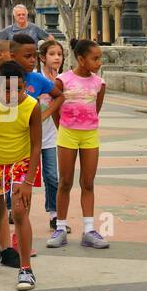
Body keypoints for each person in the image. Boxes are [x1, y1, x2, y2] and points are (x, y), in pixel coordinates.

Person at [0, 59, 42, 289]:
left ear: (25, 86)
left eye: (18, 88)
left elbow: (36, 146)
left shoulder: (32, 106)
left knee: (19, 211)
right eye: (7, 88)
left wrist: (28, 180)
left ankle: (26, 269)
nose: (12, 94)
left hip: (22, 162)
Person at [44, 39, 109, 249]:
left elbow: (95, 110)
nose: (99, 62)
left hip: (90, 135)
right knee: (65, 182)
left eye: (100, 58)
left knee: (88, 183)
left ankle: (89, 230)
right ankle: (60, 228)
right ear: (81, 59)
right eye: (95, 58)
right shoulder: (63, 80)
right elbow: (55, 107)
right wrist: (63, 127)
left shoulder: (99, 83)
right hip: (67, 135)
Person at [35, 38, 65, 227]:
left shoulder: (63, 79)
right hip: (30, 135)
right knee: (21, 176)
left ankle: (54, 214)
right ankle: (11, 209)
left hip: (53, 136)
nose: (56, 58)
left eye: (60, 54)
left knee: (52, 176)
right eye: (52, 54)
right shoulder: (35, 78)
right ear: (43, 57)